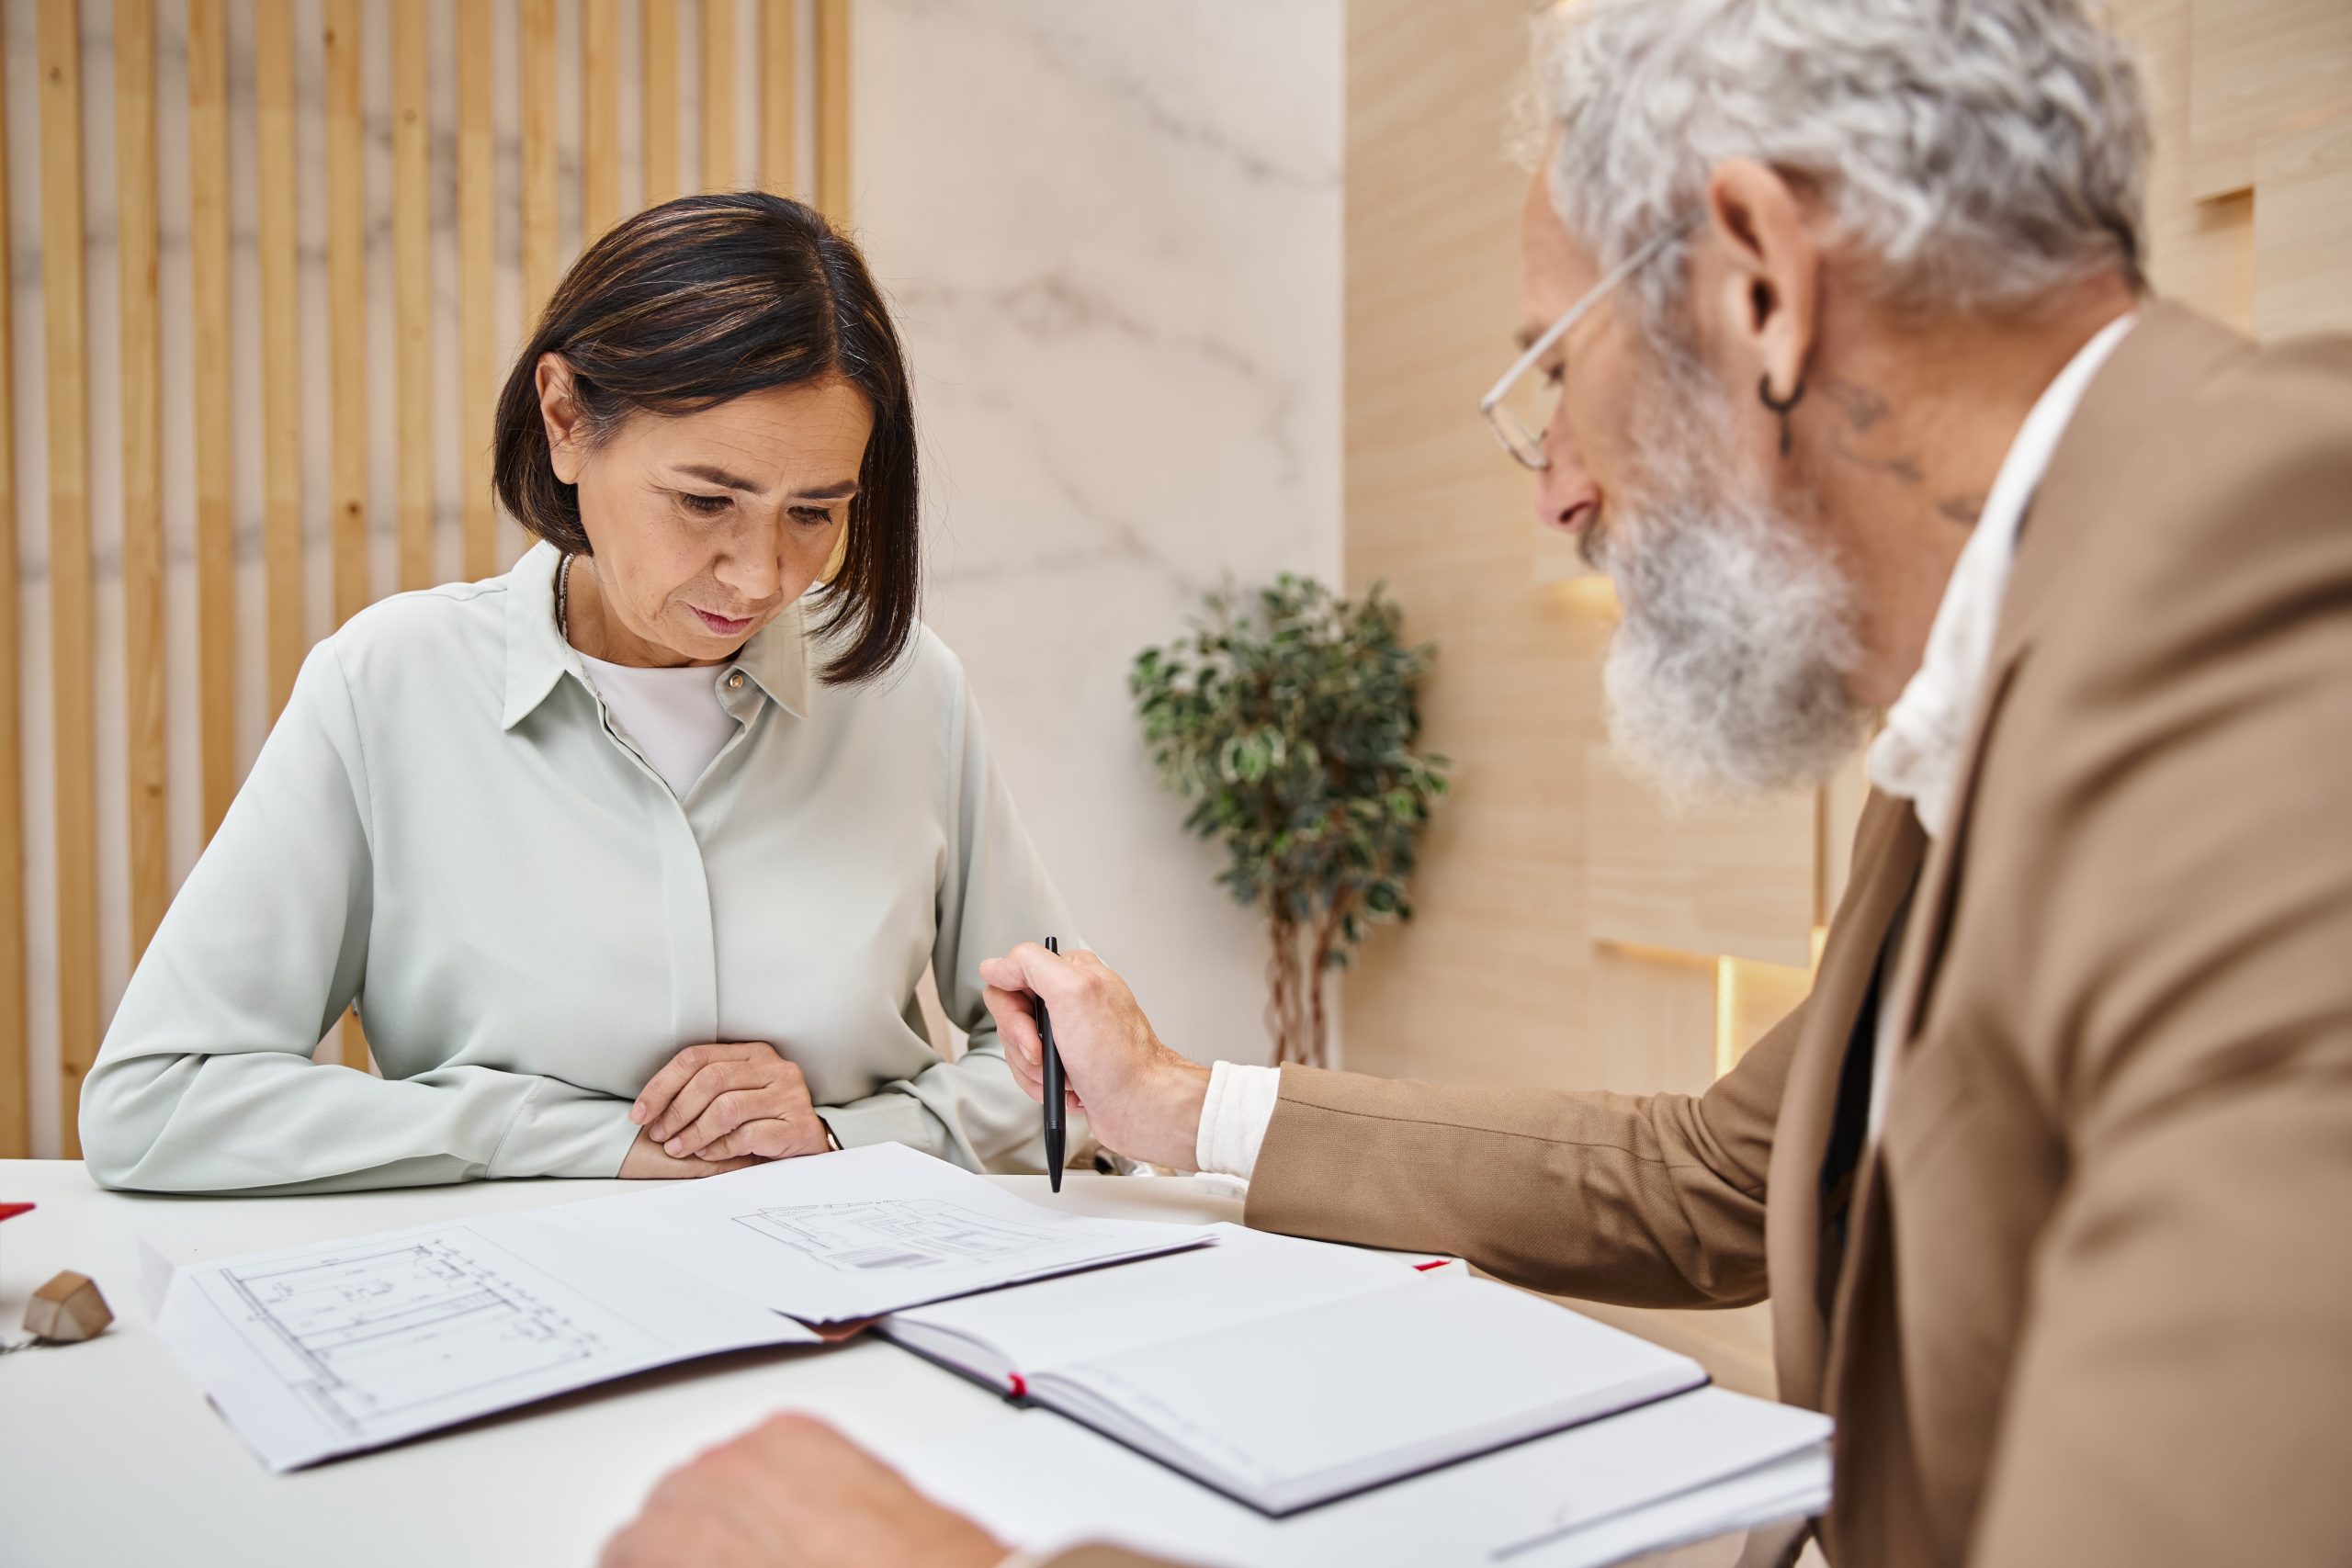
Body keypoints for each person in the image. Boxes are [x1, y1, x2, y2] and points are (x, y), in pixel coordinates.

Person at [602, 0, 2352, 1562]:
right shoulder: (2027, 649)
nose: (1556, 493)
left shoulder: (2274, 603)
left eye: (1552, 376)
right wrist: (1180, 1103)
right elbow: (1718, 1181)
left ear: (1756, 278)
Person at [80, 192, 1074, 1193]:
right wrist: (570, 1137)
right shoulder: (389, 686)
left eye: (813, 513)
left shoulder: (904, 689)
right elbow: (157, 1102)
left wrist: (833, 1138)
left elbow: (1070, 1075)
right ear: (565, 420)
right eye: (704, 501)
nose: (760, 576)